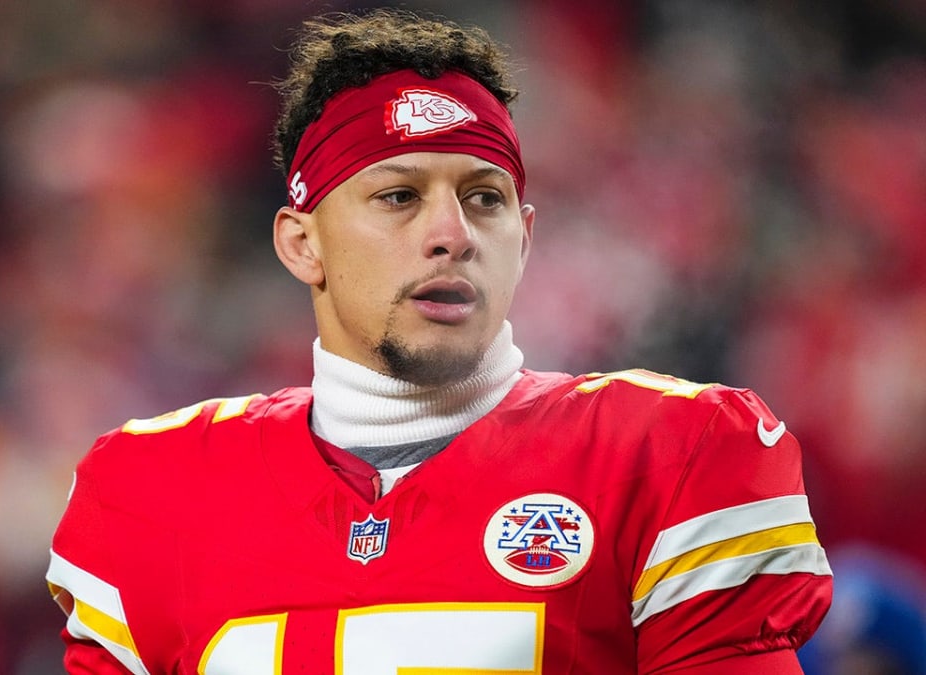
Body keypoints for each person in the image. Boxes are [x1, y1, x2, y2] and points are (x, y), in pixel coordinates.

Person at [46, 8, 833, 673]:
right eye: (398, 195)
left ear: (523, 239)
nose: (452, 235)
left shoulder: (673, 455)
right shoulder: (150, 492)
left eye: (484, 198)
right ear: (302, 244)